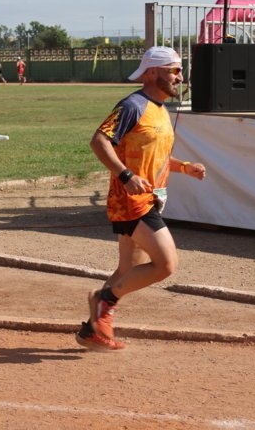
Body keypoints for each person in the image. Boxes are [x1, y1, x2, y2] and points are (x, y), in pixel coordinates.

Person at [75, 46, 207, 351]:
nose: (180, 77)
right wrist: (126, 175)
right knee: (165, 264)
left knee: (127, 270)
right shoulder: (132, 105)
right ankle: (104, 300)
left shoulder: (160, 110)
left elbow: (154, 156)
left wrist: (184, 167)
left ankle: (92, 330)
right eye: (175, 70)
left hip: (149, 199)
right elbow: (99, 140)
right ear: (152, 72)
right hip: (132, 202)